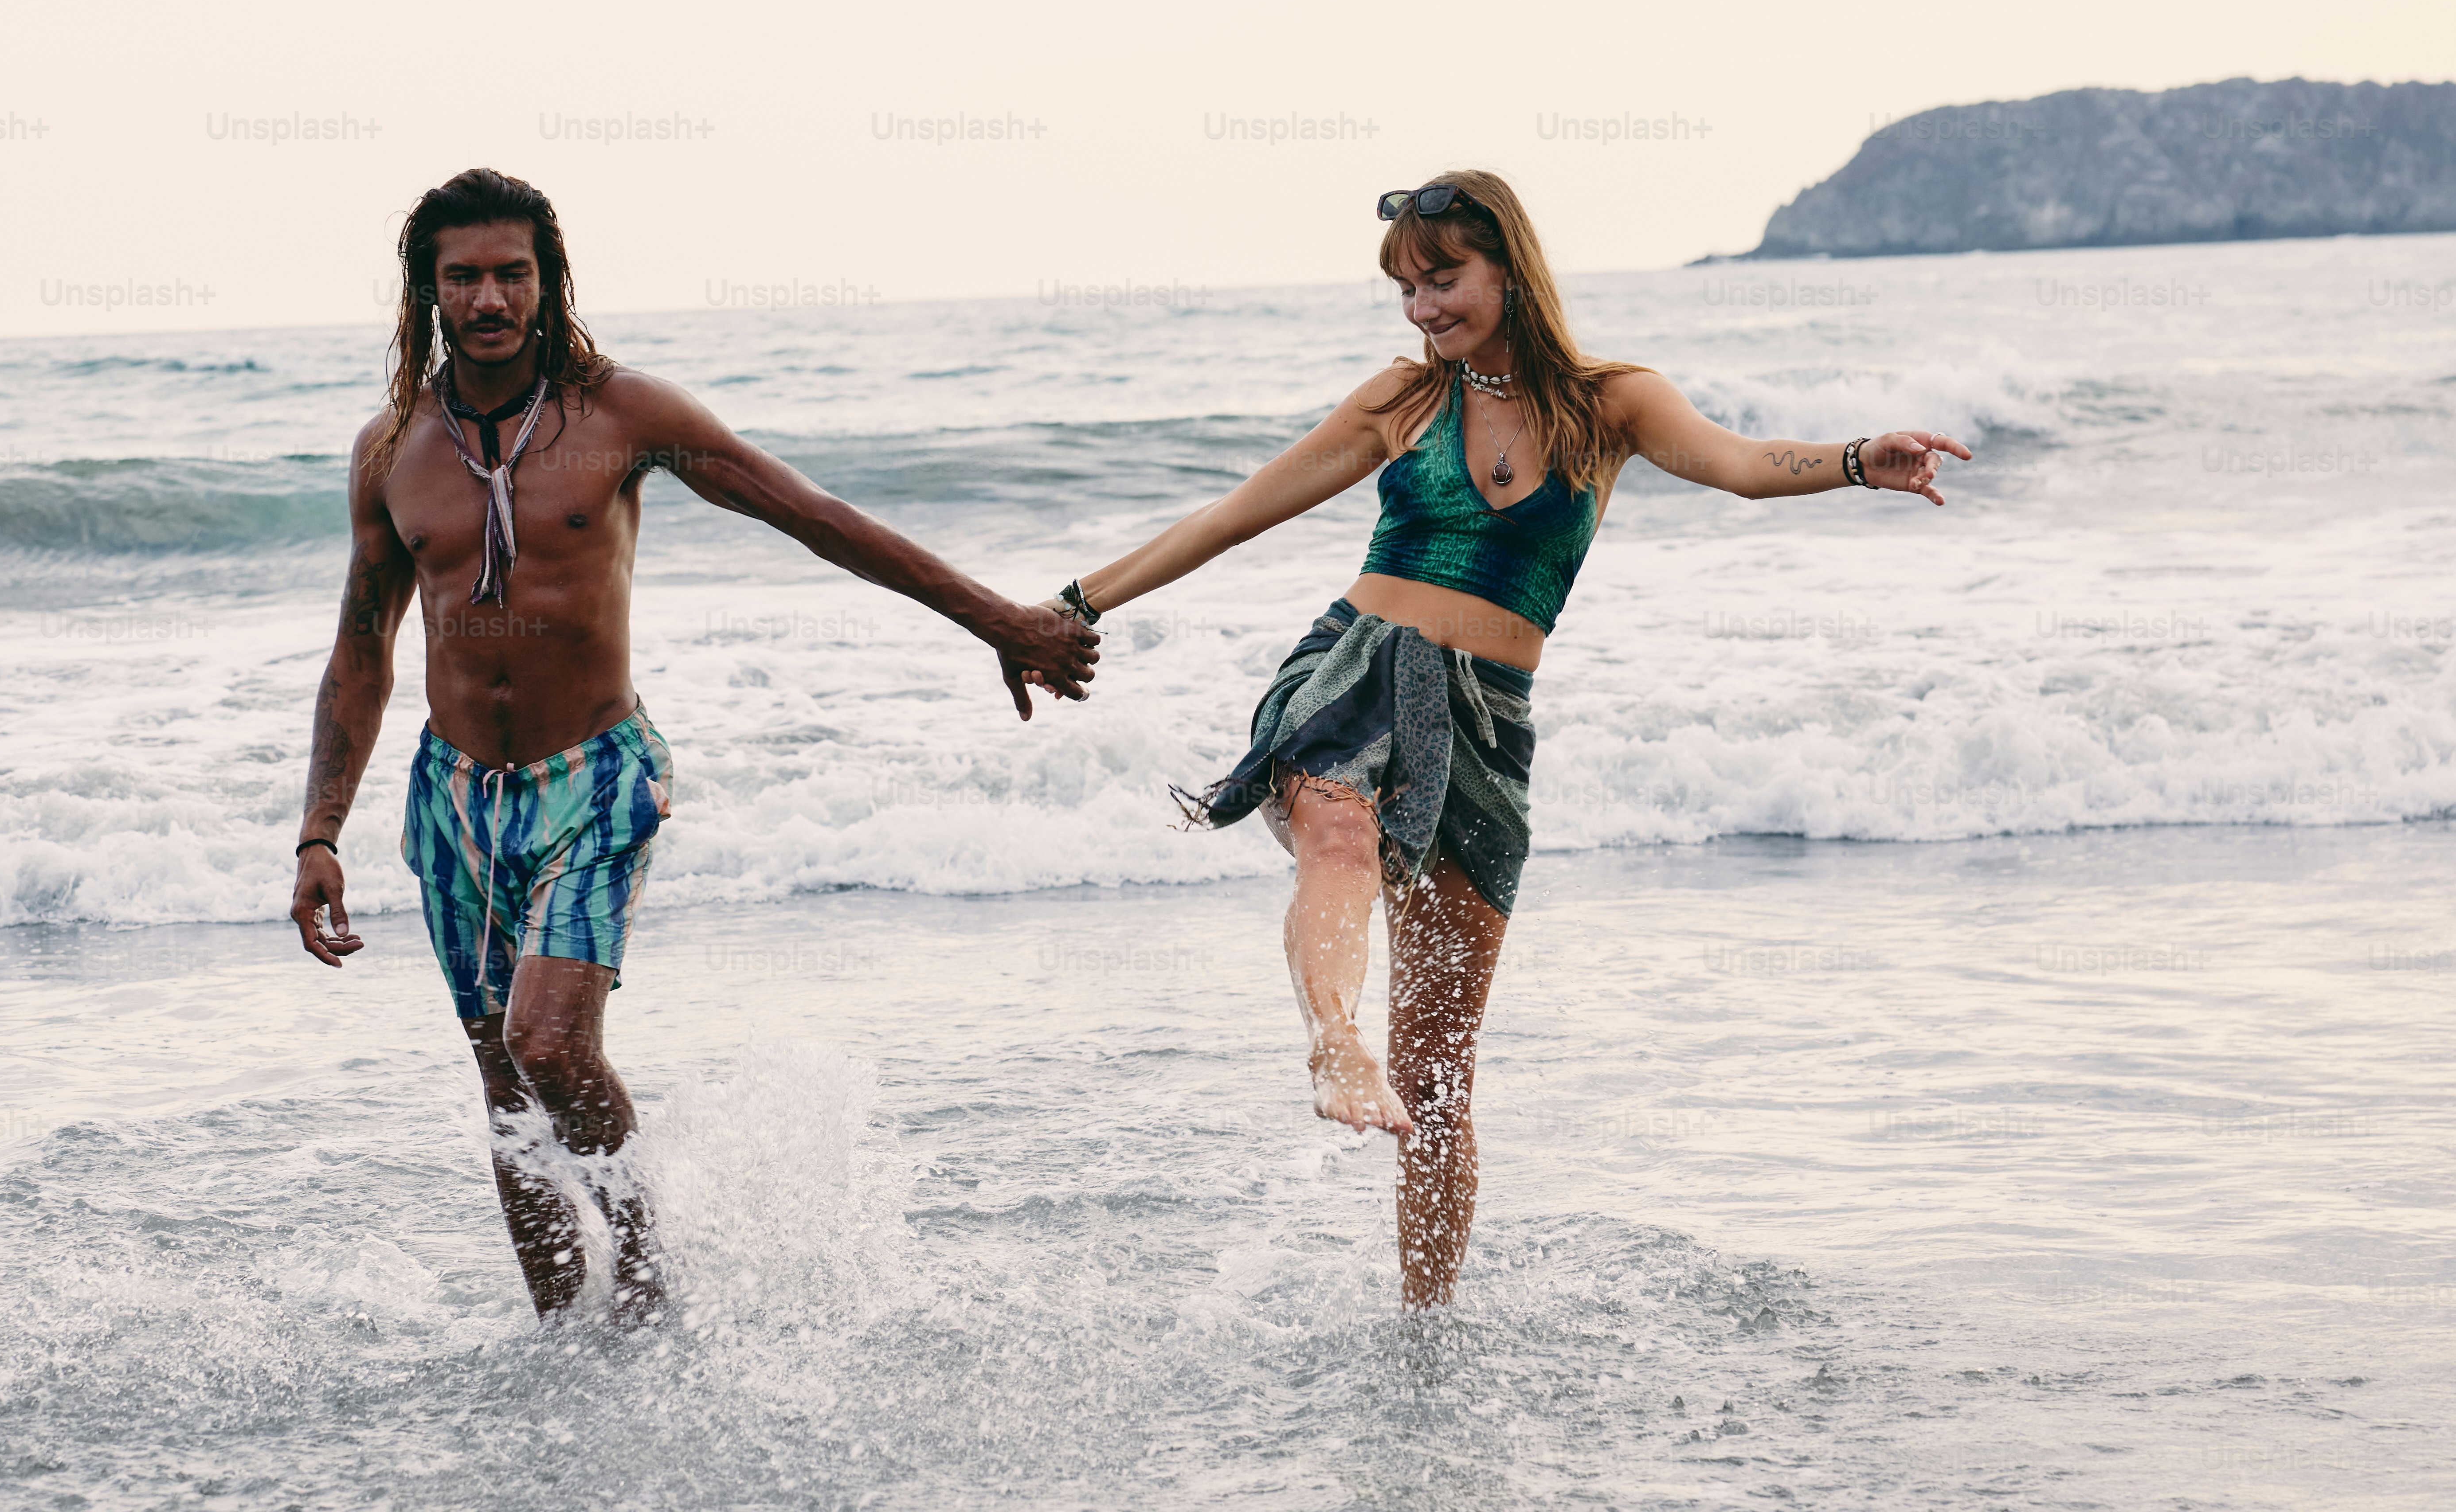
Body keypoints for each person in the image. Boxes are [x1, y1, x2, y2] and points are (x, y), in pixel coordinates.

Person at [1036, 170, 1966, 1309]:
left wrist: (1859, 457)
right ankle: (1332, 1041)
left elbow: (1737, 465)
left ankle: (1425, 1327)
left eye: (1443, 280)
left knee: (1437, 1075)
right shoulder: (1402, 404)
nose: (1423, 310)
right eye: (1407, 290)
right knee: (1336, 830)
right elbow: (1235, 515)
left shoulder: (1612, 403)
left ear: (1508, 268)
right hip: (1358, 670)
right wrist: (1077, 605)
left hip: (1486, 725)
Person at [290, 168, 1100, 1322]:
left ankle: (647, 1282)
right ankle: (562, 1336)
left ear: (548, 279)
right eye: (461, 276)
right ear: (426, 290)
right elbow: (361, 643)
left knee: (548, 1044)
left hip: (595, 780)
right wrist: (320, 830)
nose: (487, 298)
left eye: (509, 273)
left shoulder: (623, 414)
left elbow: (816, 516)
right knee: (503, 1085)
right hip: (453, 798)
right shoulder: (390, 452)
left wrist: (1000, 622)